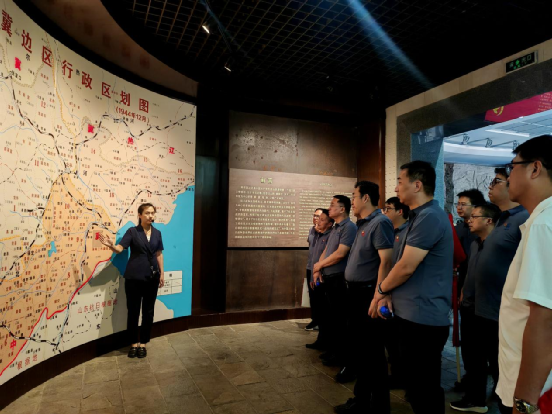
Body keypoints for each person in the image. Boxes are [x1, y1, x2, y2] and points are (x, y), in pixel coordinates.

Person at [373, 160, 453, 414]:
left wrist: (381, 291)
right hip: (411, 315)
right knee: (417, 388)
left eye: (400, 181)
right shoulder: (418, 217)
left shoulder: (429, 217)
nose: (396, 188)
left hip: (423, 319)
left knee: (424, 390)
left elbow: (406, 266)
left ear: (417, 185)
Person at [496, 135, 552, 414]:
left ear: (535, 168)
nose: (508, 177)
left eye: (512, 167)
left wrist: (525, 402)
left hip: (536, 392)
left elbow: (544, 319)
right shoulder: (541, 220)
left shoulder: (544, 224)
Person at [333, 181, 394, 414]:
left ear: (366, 198)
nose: (352, 201)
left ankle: (377, 405)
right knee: (361, 351)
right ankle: (362, 399)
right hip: (355, 293)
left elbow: (386, 261)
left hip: (368, 294)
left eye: (354, 196)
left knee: (372, 353)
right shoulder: (363, 224)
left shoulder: (380, 222)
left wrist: (378, 295)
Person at [451, 203, 501, 413]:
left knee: (495, 357)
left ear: (489, 220)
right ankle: (476, 398)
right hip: (470, 307)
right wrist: (464, 291)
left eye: (475, 217)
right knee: (472, 356)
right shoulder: (474, 244)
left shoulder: (500, 245)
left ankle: (502, 398)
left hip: (491, 310)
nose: (469, 220)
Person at [99, 203, 165, 358]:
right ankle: (133, 343)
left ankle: (144, 342)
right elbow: (120, 249)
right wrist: (111, 246)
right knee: (133, 311)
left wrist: (162, 273)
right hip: (134, 277)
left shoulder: (157, 233)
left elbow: (159, 254)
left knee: (148, 311)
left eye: (152, 213)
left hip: (152, 277)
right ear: (139, 215)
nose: (150, 216)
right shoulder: (132, 231)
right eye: (147, 213)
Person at [312, 195, 356, 367]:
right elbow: (326, 251)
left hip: (339, 279)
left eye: (332, 205)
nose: (329, 208)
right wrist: (318, 268)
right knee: (331, 317)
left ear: (342, 209)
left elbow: (340, 254)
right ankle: (333, 351)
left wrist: (319, 265)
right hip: (328, 278)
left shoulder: (349, 227)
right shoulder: (336, 227)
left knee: (340, 320)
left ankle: (341, 356)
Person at [382, 196, 410, 390]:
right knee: (391, 338)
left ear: (400, 211)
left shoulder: (408, 233)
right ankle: (397, 373)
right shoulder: (390, 231)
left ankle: (403, 377)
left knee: (402, 341)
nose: (385, 213)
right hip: (388, 292)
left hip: (401, 293)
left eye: (388, 209)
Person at [305, 209, 334, 350]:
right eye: (316, 217)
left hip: (324, 275)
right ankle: (321, 339)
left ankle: (326, 341)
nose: (318, 220)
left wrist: (317, 271)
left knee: (325, 310)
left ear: (330, 223)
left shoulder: (331, 235)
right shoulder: (315, 232)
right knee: (317, 305)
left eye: (321, 219)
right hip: (313, 272)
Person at [305, 208, 324, 331]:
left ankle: (320, 321)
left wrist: (320, 232)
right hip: (309, 267)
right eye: (314, 215)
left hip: (320, 269)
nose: (315, 218)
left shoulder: (325, 232)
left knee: (319, 296)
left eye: (318, 216)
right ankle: (314, 319)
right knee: (312, 295)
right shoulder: (311, 230)